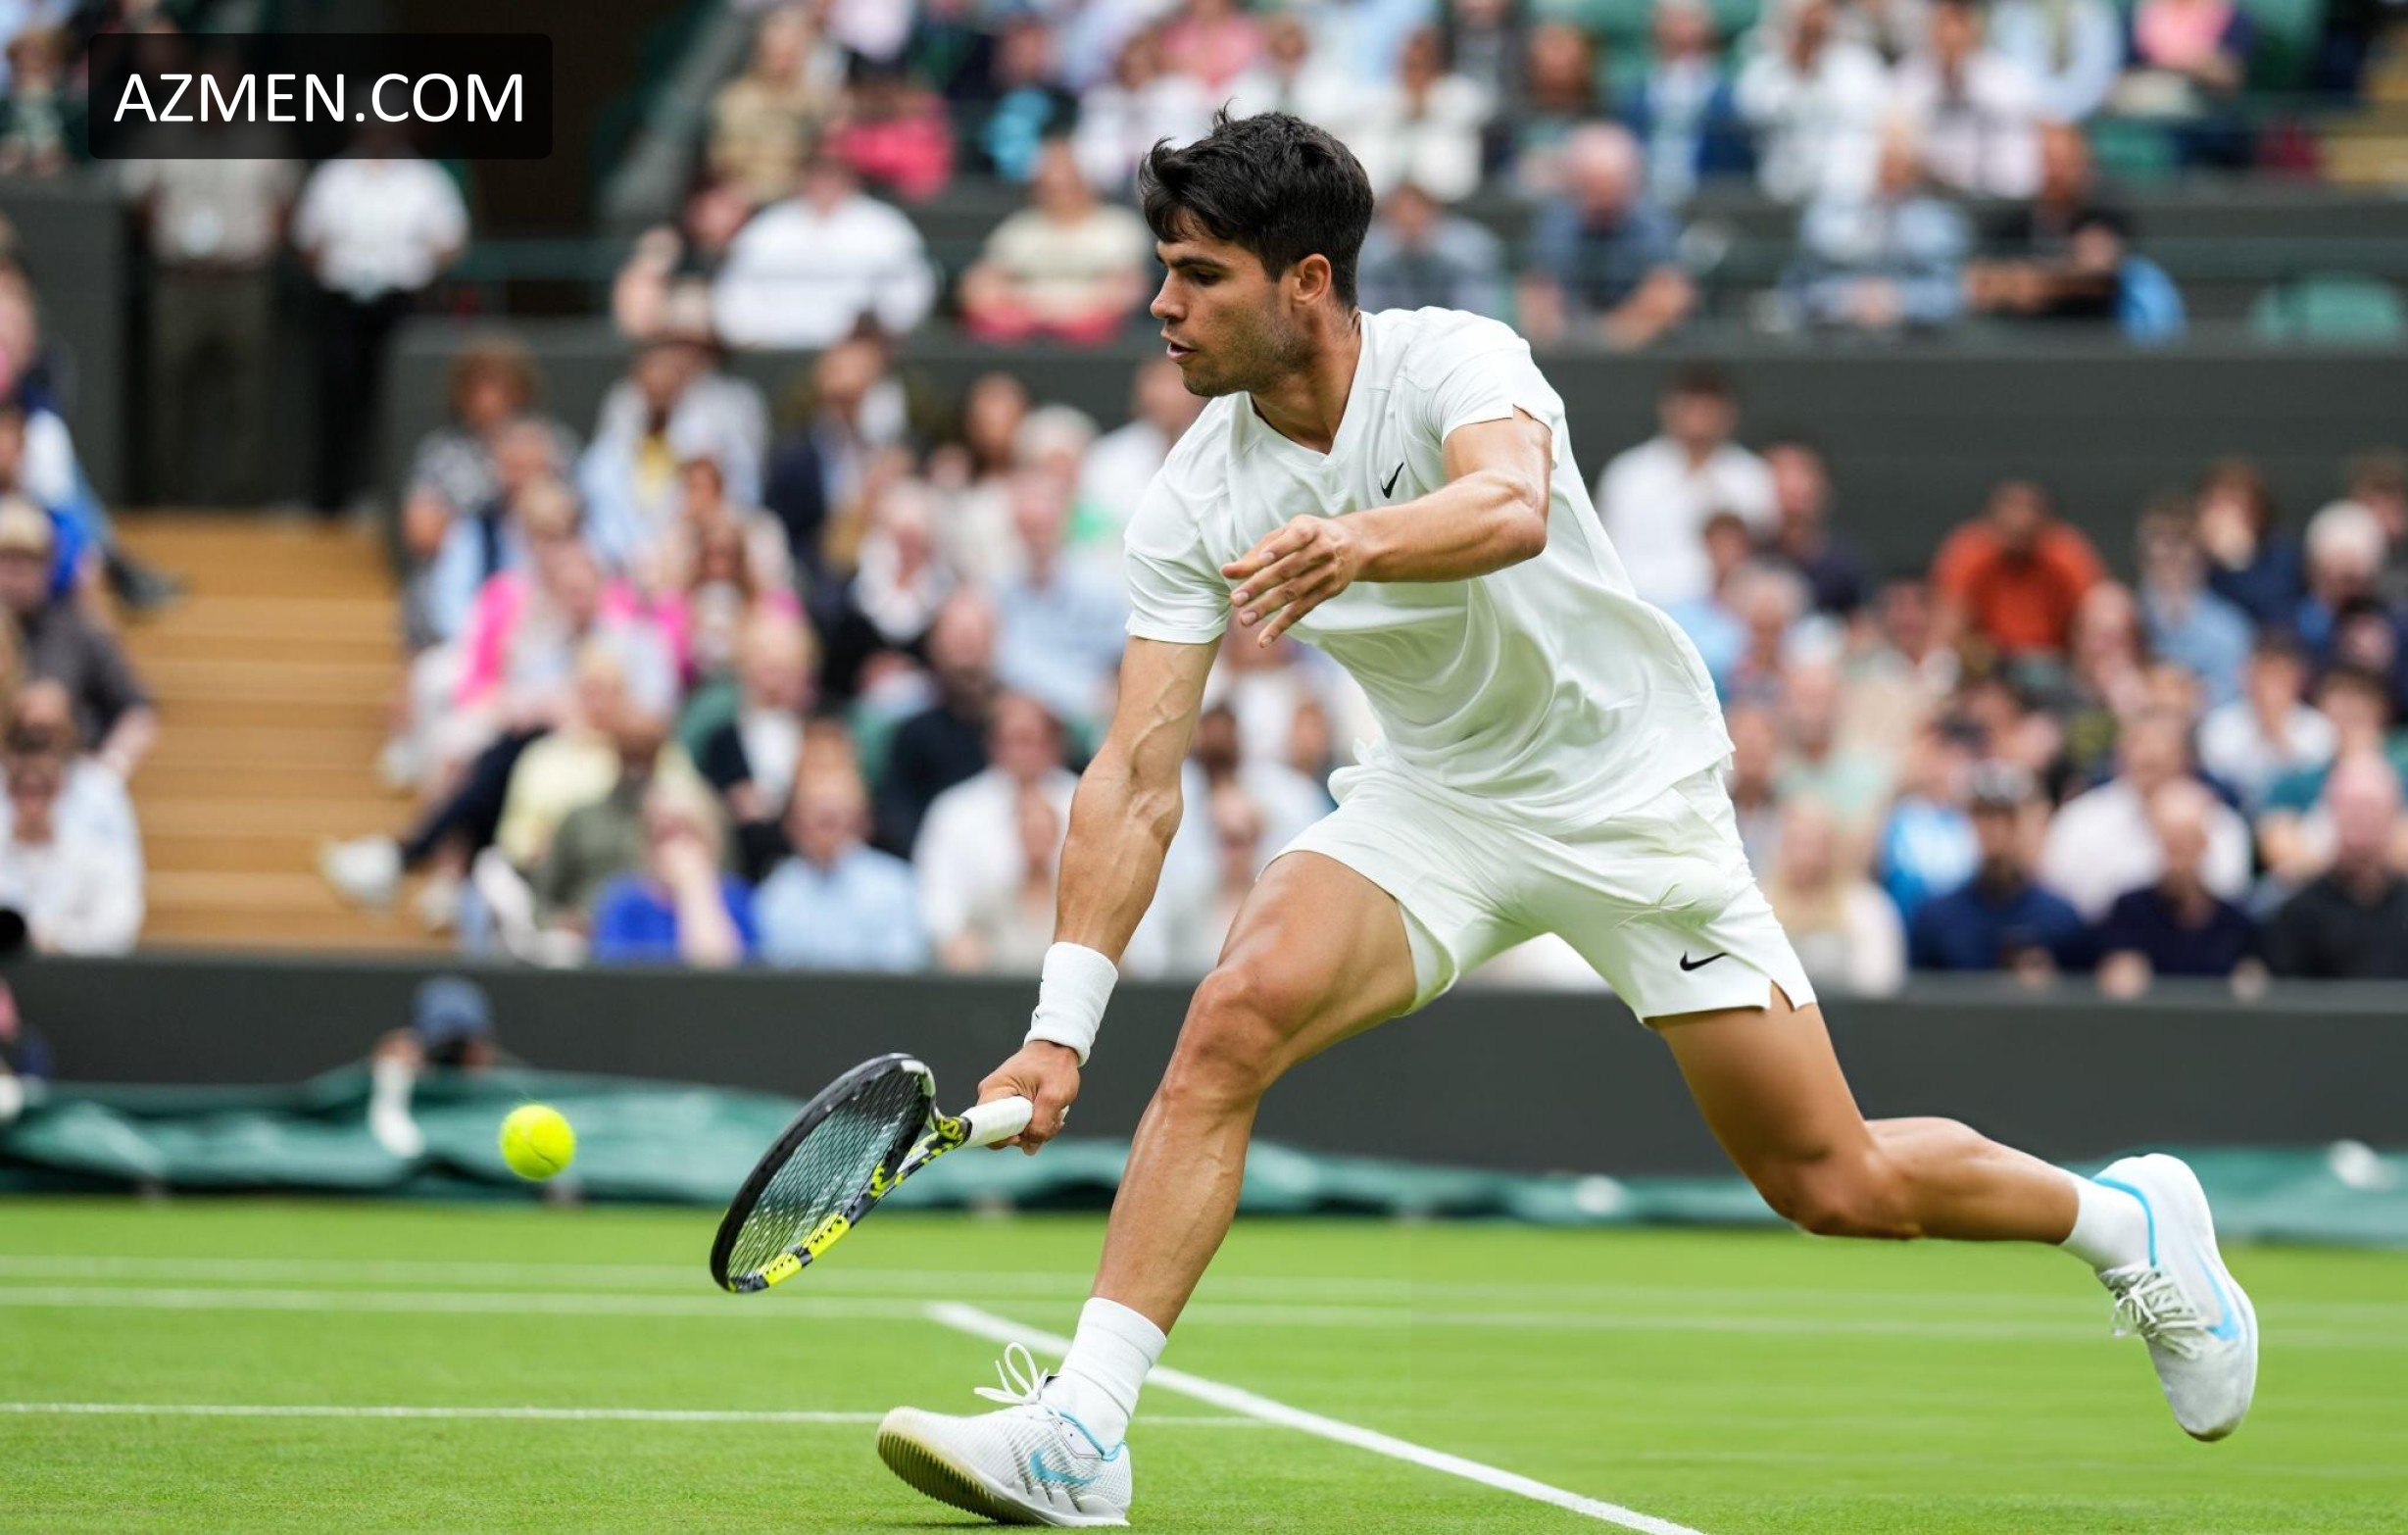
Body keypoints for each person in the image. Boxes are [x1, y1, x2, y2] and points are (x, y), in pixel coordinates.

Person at [875, 112, 2257, 1530]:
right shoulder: (1193, 494)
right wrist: (1061, 1027)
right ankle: (1083, 1432)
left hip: (1627, 798)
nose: (1162, 305)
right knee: (1229, 1020)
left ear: (1306, 281)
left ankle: (2125, 1221)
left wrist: (1356, 540)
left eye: (1199, 274)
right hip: (1435, 798)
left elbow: (1510, 504)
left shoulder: (1454, 359)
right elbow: (1133, 773)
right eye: (1163, 269)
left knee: (1832, 1180)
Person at [291, 126, 468, 516]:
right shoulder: (333, 177)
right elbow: (308, 241)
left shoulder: (425, 179)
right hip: (343, 303)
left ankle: (393, 500)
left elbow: (452, 241)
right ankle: (330, 503)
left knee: (397, 400)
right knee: (337, 401)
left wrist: (413, 268)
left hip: (401, 304)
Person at [709, 147, 936, 350]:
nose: (825, 183)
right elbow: (736, 287)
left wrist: (883, 331)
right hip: (774, 351)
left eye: (832, 174)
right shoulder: (768, 227)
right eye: (818, 174)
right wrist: (749, 337)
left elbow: (912, 286)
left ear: (850, 178)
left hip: (856, 350)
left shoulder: (885, 225)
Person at [2039, 708, 2252, 920]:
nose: (2148, 754)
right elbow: (2057, 894)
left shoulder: (2220, 824)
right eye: (2138, 744)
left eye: (2161, 746)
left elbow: (2225, 899)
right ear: (2119, 754)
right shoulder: (2079, 820)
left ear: (2185, 758)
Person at [1593, 367, 1775, 609]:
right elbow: (1608, 558)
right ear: (1667, 408)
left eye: (1710, 405)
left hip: (1730, 612)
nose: (1700, 416)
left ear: (1730, 413)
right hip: (1642, 608)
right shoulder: (1628, 475)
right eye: (1691, 404)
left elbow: (1758, 559)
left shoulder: (1752, 476)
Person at [0, 498, 154, 777]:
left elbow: (136, 710)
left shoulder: (77, 630)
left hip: (67, 780)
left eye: (28, 562)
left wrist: (108, 770)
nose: (17, 574)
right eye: (7, 561)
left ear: (49, 566)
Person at [1516, 123, 1695, 352]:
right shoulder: (1556, 222)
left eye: (1610, 187)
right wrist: (1562, 339)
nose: (1601, 200)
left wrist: (1604, 341)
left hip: (1643, 353)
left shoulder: (1656, 223)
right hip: (1570, 347)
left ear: (1632, 183)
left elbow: (1669, 297)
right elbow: (1537, 296)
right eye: (1590, 188)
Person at [958, 138, 1155, 346]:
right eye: (1050, 185)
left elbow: (1131, 289)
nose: (1059, 191)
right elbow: (979, 287)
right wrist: (1035, 309)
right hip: (1024, 334)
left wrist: (1070, 311)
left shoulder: (1119, 226)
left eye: (1068, 183)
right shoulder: (1019, 228)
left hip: (1096, 336)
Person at [1907, 762, 2089, 974]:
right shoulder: (1937, 917)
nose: (1994, 828)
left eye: (2007, 817)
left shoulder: (2060, 918)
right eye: (1983, 815)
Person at [2093, 778, 2260, 997]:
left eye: (2187, 843)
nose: (2179, 860)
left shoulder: (2235, 922)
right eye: (2172, 845)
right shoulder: (2128, 913)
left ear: (2204, 843)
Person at [755, 760, 926, 970]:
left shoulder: (895, 885)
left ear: (862, 820)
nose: (826, 815)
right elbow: (771, 968)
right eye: (815, 810)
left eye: (836, 813)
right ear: (793, 822)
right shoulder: (777, 890)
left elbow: (903, 967)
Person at [2260, 752, 2408, 978]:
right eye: (2351, 807)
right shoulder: (2298, 914)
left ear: (2394, 813)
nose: (2361, 817)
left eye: (2371, 807)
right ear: (2331, 812)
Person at [1931, 479, 2103, 663]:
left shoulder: (2066, 554)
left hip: (2055, 660)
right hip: (1988, 660)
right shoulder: (1970, 553)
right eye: (2012, 509)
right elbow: (1948, 620)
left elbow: (2092, 618)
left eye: (2029, 509)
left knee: (2107, 605)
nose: (2020, 519)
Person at [1353, 180, 1508, 320]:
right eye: (1399, 214)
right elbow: (1363, 316)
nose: (1410, 221)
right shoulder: (1370, 249)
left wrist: (1429, 247)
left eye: (1417, 210)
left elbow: (1478, 316)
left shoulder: (1470, 243)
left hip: (1454, 333)